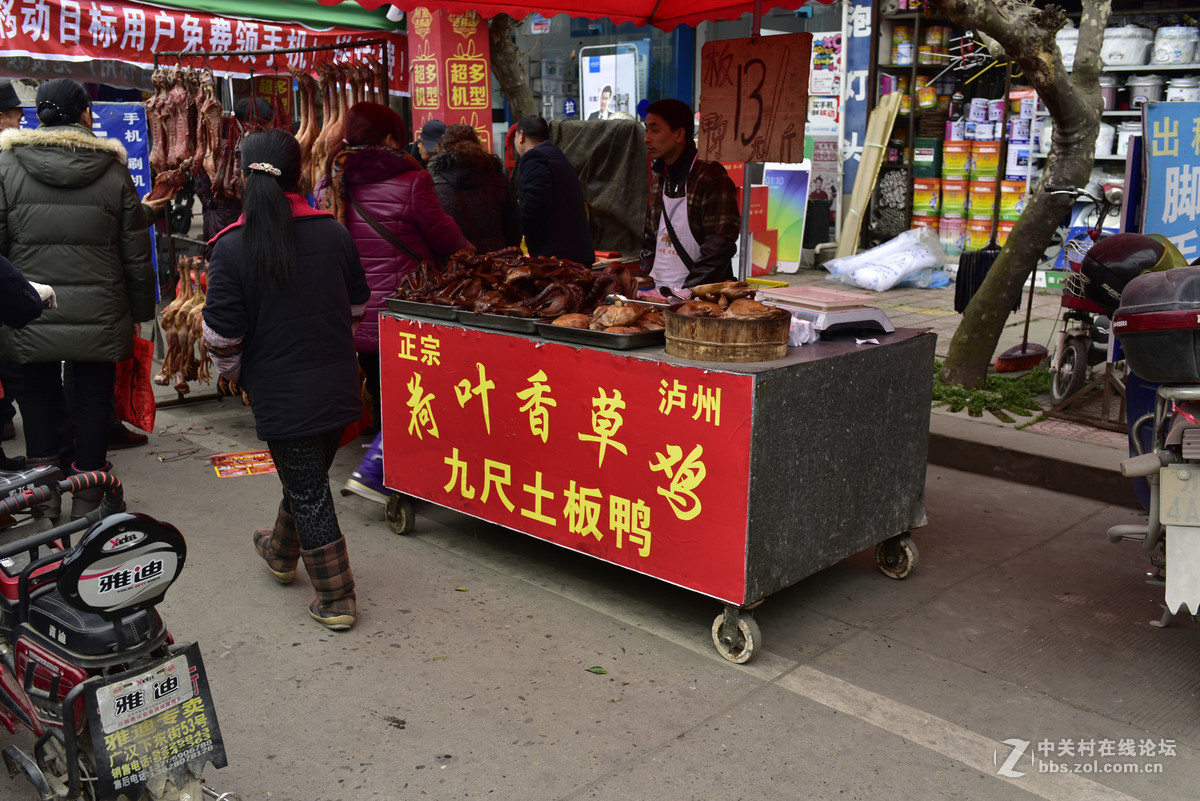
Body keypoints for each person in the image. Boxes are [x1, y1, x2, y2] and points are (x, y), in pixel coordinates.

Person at [202, 129, 370, 631]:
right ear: (298, 172)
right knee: (308, 479)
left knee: (309, 489)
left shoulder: (231, 247)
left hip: (281, 394)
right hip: (339, 385)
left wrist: (238, 376)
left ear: (244, 174)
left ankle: (336, 599)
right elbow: (357, 309)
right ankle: (279, 553)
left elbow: (221, 338)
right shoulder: (333, 232)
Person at [0, 78, 155, 517]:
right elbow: (135, 253)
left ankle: (43, 493)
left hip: (27, 309)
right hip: (100, 312)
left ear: (38, 116)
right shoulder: (113, 169)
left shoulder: (5, 166)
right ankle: (89, 494)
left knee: (36, 394)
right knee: (91, 397)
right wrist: (140, 312)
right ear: (86, 115)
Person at [321, 102, 468, 505]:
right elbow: (446, 239)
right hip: (402, 312)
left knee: (389, 389)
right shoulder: (412, 180)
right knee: (413, 393)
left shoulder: (332, 182)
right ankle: (383, 473)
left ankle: (394, 464)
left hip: (353, 313)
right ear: (388, 139)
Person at [641, 98, 740, 292]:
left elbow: (719, 246)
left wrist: (689, 293)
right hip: (658, 295)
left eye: (654, 130)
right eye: (646, 130)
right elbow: (651, 239)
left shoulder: (710, 178)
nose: (647, 138)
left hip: (699, 299)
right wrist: (645, 282)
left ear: (678, 134)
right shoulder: (660, 179)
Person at [512, 115, 594, 267]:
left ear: (521, 136)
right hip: (577, 251)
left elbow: (534, 205)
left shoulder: (534, 158)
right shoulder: (556, 155)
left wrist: (516, 232)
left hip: (556, 257)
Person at [427, 123, 521, 253]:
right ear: (477, 144)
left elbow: (431, 231)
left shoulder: (433, 184)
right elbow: (514, 226)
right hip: (495, 263)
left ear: (442, 147)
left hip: (453, 265)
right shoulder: (498, 180)